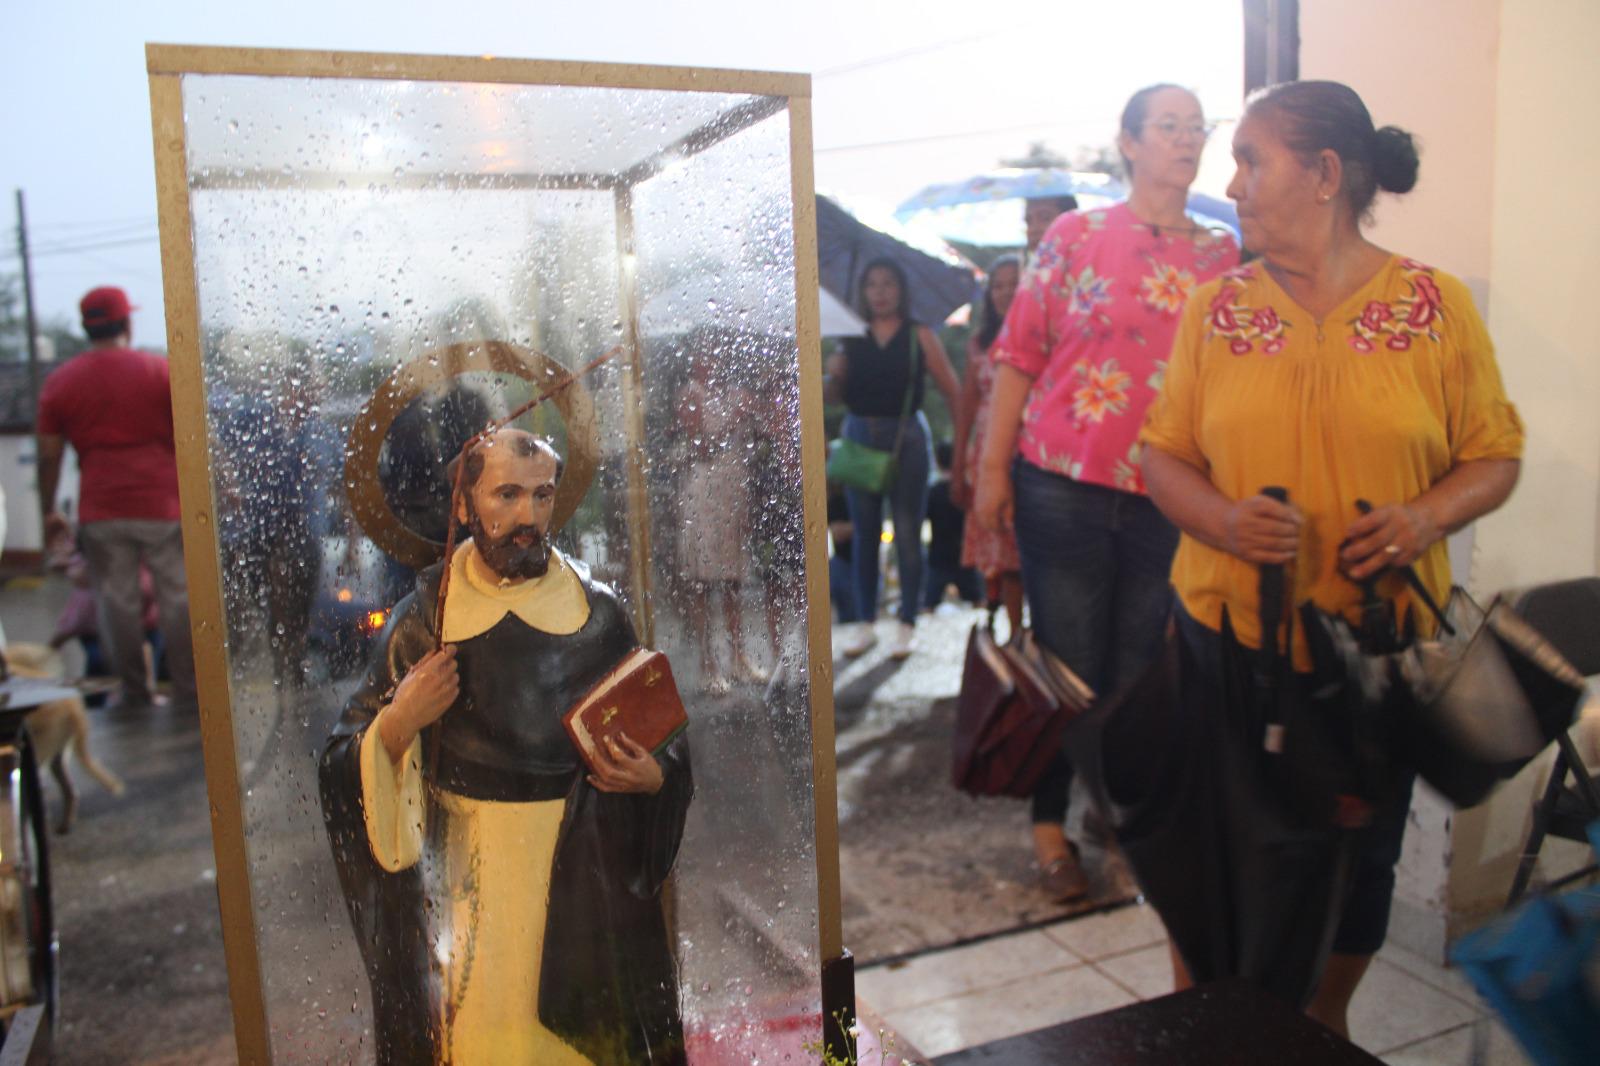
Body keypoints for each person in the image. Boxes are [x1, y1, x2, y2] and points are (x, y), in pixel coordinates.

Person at [1139, 80, 1522, 1034]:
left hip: (1372, 657)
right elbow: (1161, 456)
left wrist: (1425, 518)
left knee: (1360, 857)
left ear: (1325, 175)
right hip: (1226, 643)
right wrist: (1225, 523)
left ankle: (1324, 1027)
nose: (1230, 184)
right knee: (1208, 851)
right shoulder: (1214, 311)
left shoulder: (1435, 309)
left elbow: (1493, 453)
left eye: (1251, 160)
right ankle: (1206, 1025)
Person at [319, 429, 693, 1065]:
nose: (527, 517)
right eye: (507, 495)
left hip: (580, 881)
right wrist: (398, 722)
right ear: (464, 505)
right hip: (470, 886)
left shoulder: (596, 614)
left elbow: (664, 740)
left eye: (542, 496)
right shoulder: (426, 622)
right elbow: (341, 762)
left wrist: (653, 778)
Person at [975, 86, 1239, 901]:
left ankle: (1116, 817)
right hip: (1060, 483)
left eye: (1197, 128)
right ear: (1127, 142)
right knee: (1070, 668)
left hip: (1169, 493)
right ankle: (1052, 826)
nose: (1186, 140)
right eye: (1169, 127)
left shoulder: (1224, 254)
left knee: (1134, 671)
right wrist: (989, 475)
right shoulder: (1076, 235)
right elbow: (1019, 355)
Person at [35, 286, 196, 712]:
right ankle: (188, 692)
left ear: (87, 328)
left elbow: (49, 454)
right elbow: (194, 437)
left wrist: (49, 510)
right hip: (162, 505)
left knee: (116, 602)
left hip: (101, 509)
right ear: (126, 323)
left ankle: (135, 694)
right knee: (177, 598)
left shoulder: (61, 382)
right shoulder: (158, 372)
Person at [825, 258, 962, 660]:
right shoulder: (850, 336)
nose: (880, 291)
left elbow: (952, 390)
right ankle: (865, 622)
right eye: (872, 284)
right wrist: (834, 375)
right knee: (864, 533)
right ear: (864, 292)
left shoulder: (920, 334)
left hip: (908, 438)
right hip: (860, 436)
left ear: (901, 289)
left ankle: (907, 622)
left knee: (907, 533)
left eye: (888, 283)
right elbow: (832, 397)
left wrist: (965, 447)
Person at [951, 256, 1025, 634]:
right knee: (1002, 550)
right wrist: (958, 468)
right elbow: (966, 405)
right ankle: (1014, 636)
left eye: (1015, 283)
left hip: (1030, 451)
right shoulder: (979, 343)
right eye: (998, 285)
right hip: (987, 455)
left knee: (1031, 549)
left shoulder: (1043, 337)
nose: (1006, 292)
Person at [923, 441, 981, 611]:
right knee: (978, 601)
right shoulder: (966, 489)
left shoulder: (933, 492)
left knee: (929, 605)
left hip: (939, 554)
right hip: (963, 553)